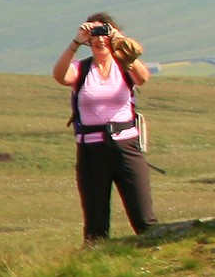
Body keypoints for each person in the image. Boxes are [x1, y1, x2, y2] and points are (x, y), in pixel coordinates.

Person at [53, 13, 157, 244]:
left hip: (127, 146)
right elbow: (60, 76)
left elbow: (142, 77)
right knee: (96, 223)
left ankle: (153, 257)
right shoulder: (81, 69)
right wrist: (75, 42)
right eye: (94, 33)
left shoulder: (124, 65)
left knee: (144, 218)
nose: (99, 38)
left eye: (104, 32)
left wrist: (121, 41)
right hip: (91, 151)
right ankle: (95, 265)